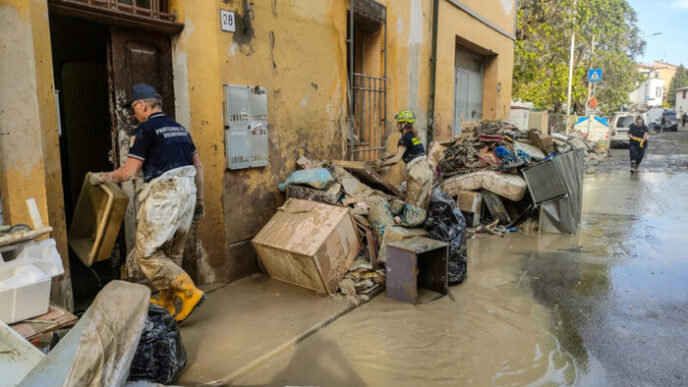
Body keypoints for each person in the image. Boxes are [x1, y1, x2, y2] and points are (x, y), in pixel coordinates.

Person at [89, 83, 206, 322]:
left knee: (147, 253)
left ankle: (189, 292)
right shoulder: (180, 129)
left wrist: (100, 177)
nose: (133, 115)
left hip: (165, 193)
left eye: (133, 110)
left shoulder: (145, 129)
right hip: (189, 191)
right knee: (172, 253)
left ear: (142, 105)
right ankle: (167, 300)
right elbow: (199, 166)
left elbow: (130, 172)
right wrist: (200, 200)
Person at [378, 110, 434, 214]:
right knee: (421, 205)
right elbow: (405, 152)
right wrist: (389, 155)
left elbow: (396, 159)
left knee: (411, 204)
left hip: (417, 172)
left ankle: (407, 225)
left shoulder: (404, 139)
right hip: (427, 171)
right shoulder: (413, 138)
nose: (397, 125)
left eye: (399, 123)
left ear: (404, 124)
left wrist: (381, 164)